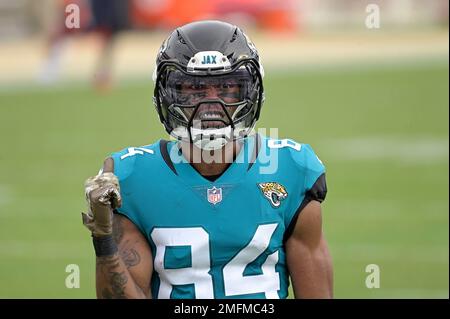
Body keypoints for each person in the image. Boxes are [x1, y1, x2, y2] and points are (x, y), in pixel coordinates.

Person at [82, 20, 333, 299]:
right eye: (194, 89)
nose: (211, 105)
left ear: (251, 91)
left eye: (227, 87)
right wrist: (103, 239)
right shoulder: (132, 179)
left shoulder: (293, 169)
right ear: (166, 94)